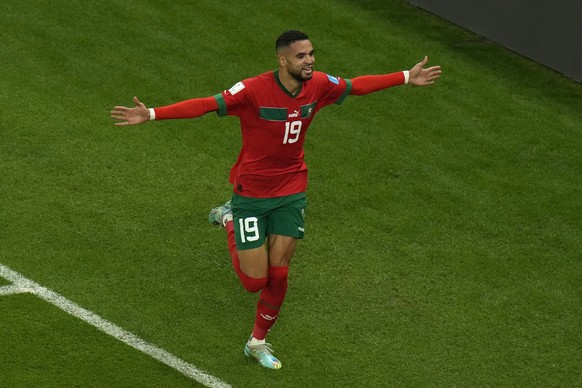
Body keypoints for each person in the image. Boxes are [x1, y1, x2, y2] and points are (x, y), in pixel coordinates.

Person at [111, 30, 441, 370]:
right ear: (282, 60)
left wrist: (405, 77)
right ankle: (228, 218)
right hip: (251, 194)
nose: (310, 60)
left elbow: (356, 85)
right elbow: (207, 105)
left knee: (279, 273)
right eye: (301, 56)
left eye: (311, 53)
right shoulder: (253, 89)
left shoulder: (321, 84)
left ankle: (257, 342)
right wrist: (151, 114)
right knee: (254, 281)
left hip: (291, 189)